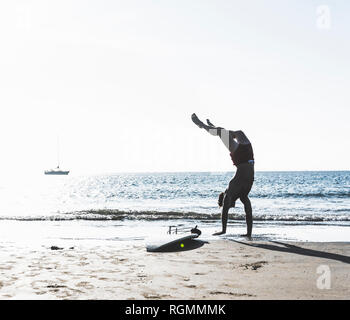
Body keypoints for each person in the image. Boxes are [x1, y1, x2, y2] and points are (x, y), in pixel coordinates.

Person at [191, 113, 255, 238]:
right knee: (231, 132)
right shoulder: (243, 196)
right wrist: (249, 234)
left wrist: (223, 230)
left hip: (240, 156)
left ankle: (204, 126)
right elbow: (249, 211)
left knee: (224, 132)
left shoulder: (231, 190)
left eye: (227, 202)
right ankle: (211, 127)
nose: (231, 205)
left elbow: (225, 210)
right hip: (247, 156)